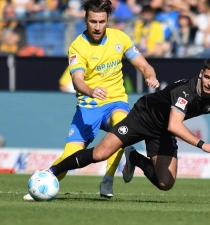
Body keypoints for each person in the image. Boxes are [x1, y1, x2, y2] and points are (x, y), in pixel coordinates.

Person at [44, 58, 210, 194]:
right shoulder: (185, 91)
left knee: (165, 184)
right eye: (206, 77)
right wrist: (202, 144)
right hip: (143, 116)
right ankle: (51, 172)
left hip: (161, 130)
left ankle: (135, 159)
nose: (209, 83)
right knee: (100, 153)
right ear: (201, 74)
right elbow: (175, 124)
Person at [23, 0, 159, 200]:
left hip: (115, 102)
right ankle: (43, 182)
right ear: (85, 20)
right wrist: (90, 90)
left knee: (120, 125)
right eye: (93, 21)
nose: (97, 27)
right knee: (69, 156)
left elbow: (144, 65)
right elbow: (77, 81)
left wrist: (150, 75)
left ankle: (108, 179)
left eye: (102, 22)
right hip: (88, 107)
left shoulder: (120, 38)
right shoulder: (77, 47)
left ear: (107, 20)